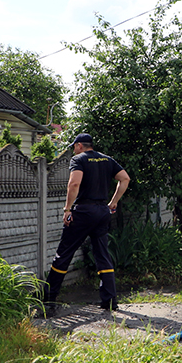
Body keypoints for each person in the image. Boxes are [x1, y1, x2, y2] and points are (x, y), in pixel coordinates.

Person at [43, 133, 131, 313]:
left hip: (83, 212)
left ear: (80, 145)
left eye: (74, 146)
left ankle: (49, 300)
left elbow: (74, 184)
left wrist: (67, 209)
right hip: (102, 212)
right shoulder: (107, 160)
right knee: (102, 255)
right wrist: (113, 202)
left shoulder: (79, 160)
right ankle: (110, 301)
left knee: (64, 253)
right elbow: (125, 179)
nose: (74, 150)